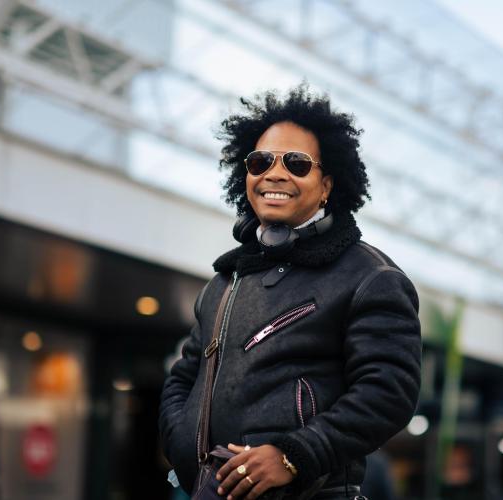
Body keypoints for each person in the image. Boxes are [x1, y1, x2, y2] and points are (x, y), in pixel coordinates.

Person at [159, 84, 422, 499]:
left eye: (297, 164)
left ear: (327, 184)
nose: (274, 174)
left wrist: (292, 457)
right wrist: (180, 443)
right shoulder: (225, 282)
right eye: (260, 161)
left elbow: (388, 393)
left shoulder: (372, 277)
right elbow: (182, 379)